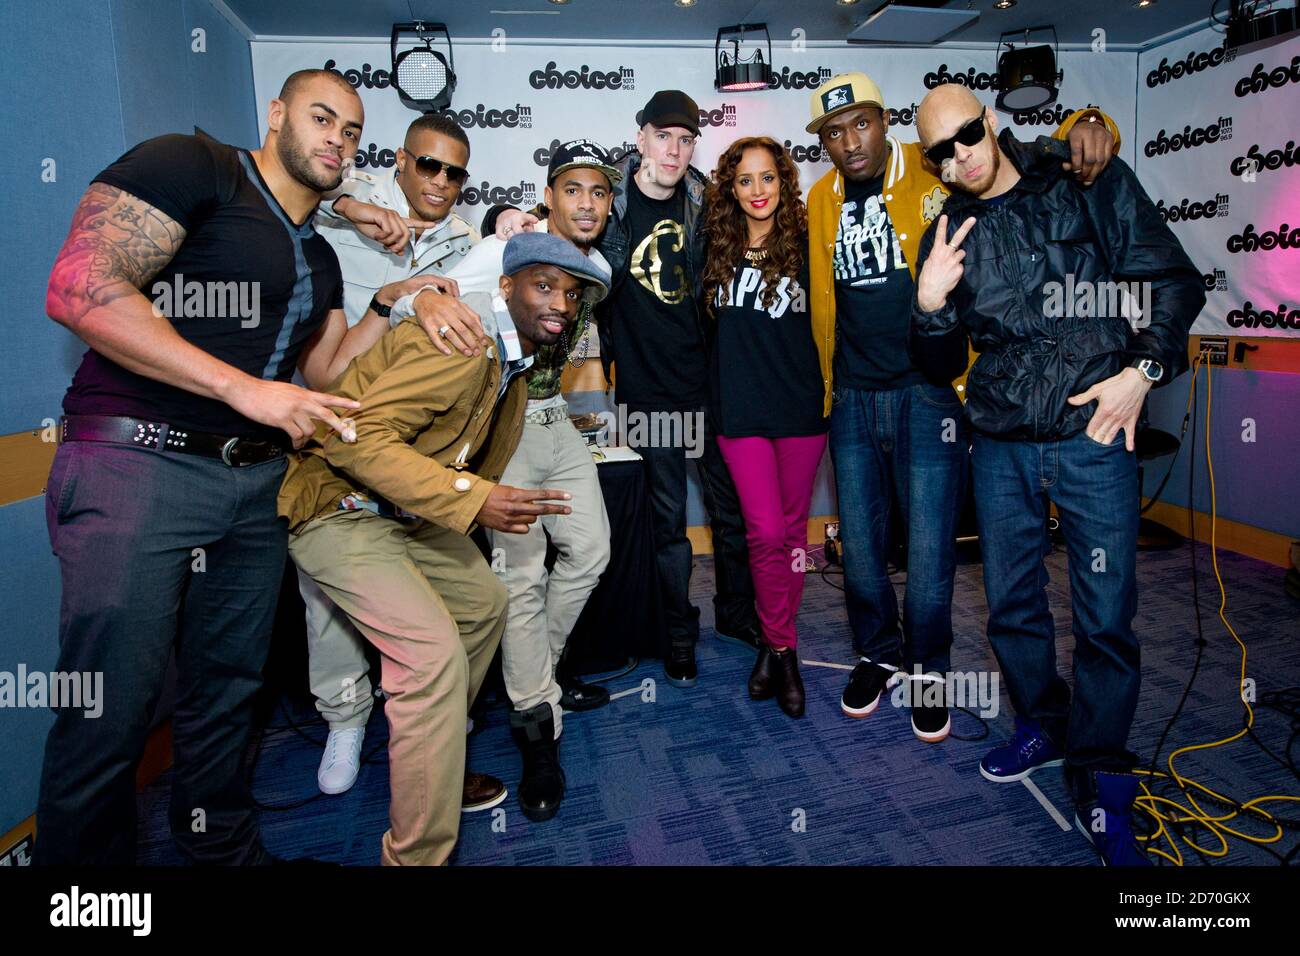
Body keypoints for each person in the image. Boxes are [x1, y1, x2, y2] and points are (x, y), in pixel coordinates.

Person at [37, 69, 369, 864]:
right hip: (137, 464)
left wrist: (397, 302)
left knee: (227, 696)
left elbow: (323, 374)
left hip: (253, 487)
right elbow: (78, 287)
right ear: (277, 112)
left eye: (352, 132)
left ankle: (225, 854)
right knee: (107, 713)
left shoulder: (320, 255)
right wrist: (243, 389)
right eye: (322, 117)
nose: (336, 138)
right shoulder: (197, 166)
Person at [911, 82, 1204, 865]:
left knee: (1105, 615)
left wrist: (1144, 368)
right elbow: (939, 365)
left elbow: (1173, 282)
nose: (957, 157)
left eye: (966, 135)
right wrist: (932, 306)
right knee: (1010, 604)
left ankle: (1104, 774)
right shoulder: (944, 234)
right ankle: (1043, 722)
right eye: (938, 150)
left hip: (1094, 431)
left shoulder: (1083, 173)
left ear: (991, 122)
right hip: (1001, 440)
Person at [805, 72, 1121, 742]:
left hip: (929, 392)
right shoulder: (820, 200)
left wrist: (1090, 121)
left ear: (883, 122)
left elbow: (1022, 157)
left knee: (928, 552)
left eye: (860, 123)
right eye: (833, 132)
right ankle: (876, 654)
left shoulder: (939, 176)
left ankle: (929, 670)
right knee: (859, 550)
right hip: (853, 397)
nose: (848, 140)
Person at [280, 231, 611, 864]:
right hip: (340, 507)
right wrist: (472, 498)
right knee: (430, 658)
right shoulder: (467, 345)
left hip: (405, 510)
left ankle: (436, 759)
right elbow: (351, 440)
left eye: (573, 294)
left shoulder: (512, 368)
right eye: (545, 286)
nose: (562, 305)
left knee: (485, 603)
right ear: (505, 287)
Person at [387, 140, 619, 821]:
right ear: (547, 195)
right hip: (504, 427)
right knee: (521, 576)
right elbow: (427, 297)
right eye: (573, 190)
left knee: (592, 549)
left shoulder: (596, 267)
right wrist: (420, 303)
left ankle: (534, 677)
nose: (587, 203)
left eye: (600, 193)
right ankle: (535, 728)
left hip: (555, 422)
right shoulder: (505, 250)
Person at [298, 111, 509, 806]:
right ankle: (346, 720)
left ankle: (422, 728)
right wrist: (356, 216)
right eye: (429, 166)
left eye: (456, 172)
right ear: (399, 163)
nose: (442, 182)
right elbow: (298, 181)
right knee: (329, 602)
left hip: (416, 462)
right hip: (336, 445)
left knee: (477, 605)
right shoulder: (341, 220)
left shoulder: (466, 247)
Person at [699, 136, 827, 718]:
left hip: (801, 410)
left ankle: (781, 649)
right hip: (740, 413)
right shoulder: (714, 247)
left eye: (768, 178)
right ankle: (780, 644)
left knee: (796, 540)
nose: (758, 191)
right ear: (730, 187)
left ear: (784, 182)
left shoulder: (809, 242)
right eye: (745, 180)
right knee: (764, 532)